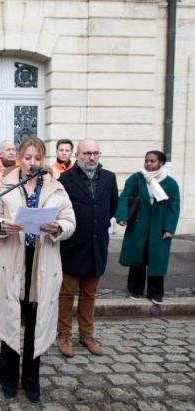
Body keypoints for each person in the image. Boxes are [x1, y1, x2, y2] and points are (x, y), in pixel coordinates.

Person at [0, 136, 75, 403]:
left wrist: (57, 228)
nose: (32, 163)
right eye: (27, 158)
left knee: (35, 322)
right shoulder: (5, 185)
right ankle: (7, 378)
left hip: (42, 262)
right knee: (11, 318)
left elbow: (70, 220)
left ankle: (31, 380)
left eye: (37, 158)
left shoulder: (56, 188)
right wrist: (2, 225)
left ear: (43, 159)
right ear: (19, 159)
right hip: (13, 260)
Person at [57, 139, 118, 357]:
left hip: (97, 245)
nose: (91, 157)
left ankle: (86, 334)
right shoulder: (66, 178)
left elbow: (111, 207)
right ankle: (63, 334)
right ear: (77, 154)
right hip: (72, 245)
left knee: (89, 294)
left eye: (95, 153)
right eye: (87, 153)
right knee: (66, 294)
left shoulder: (109, 177)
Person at [116, 150, 180, 306]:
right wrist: (122, 216)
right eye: (146, 160)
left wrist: (169, 228)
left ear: (161, 163)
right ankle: (135, 290)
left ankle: (156, 293)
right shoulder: (137, 179)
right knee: (137, 258)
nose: (148, 163)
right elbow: (124, 197)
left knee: (157, 260)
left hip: (159, 227)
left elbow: (174, 206)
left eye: (152, 161)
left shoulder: (170, 183)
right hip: (138, 224)